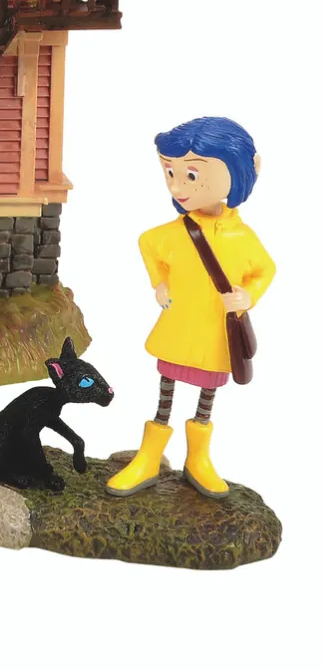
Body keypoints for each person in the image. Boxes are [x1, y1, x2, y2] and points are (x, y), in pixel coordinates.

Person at [106, 116, 274, 499]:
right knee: (166, 388)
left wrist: (248, 296)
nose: (177, 187)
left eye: (191, 175)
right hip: (180, 325)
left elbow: (265, 270)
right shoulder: (175, 233)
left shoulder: (243, 238)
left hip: (215, 330)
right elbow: (147, 243)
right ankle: (150, 456)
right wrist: (159, 282)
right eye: (170, 173)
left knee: (206, 396)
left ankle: (198, 458)